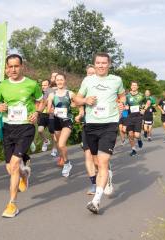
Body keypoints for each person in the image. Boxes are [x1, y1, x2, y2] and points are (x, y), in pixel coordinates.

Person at [0, 54, 43, 218]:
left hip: (26, 128)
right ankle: (24, 174)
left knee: (14, 164)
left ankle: (12, 204)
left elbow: (41, 101)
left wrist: (37, 112)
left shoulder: (31, 84)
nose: (13, 69)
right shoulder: (2, 86)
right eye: (10, 66)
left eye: (16, 66)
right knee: (10, 168)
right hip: (8, 128)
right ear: (6, 68)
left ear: (22, 67)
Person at [75, 52, 125, 214]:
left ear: (109, 64)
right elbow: (76, 98)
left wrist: (121, 105)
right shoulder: (88, 80)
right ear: (94, 64)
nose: (101, 65)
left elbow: (122, 96)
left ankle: (96, 201)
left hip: (110, 124)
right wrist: (85, 101)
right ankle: (107, 176)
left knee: (102, 162)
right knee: (96, 162)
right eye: (98, 63)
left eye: (104, 63)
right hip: (91, 125)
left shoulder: (116, 80)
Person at [47, 73, 77, 177]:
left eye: (61, 80)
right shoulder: (52, 94)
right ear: (55, 81)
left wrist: (76, 106)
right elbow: (49, 108)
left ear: (65, 81)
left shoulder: (70, 93)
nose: (59, 82)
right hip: (56, 121)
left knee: (61, 144)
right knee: (59, 144)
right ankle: (64, 160)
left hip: (67, 120)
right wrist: (50, 110)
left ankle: (67, 163)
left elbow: (78, 102)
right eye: (57, 80)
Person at [76, 64, 98, 194]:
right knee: (88, 155)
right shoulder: (84, 88)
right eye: (88, 73)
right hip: (87, 126)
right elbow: (76, 102)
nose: (90, 75)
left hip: (103, 127)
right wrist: (80, 113)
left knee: (98, 158)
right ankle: (94, 183)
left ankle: (104, 173)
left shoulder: (104, 88)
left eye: (92, 73)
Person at [125, 81, 149, 157]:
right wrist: (126, 107)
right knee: (130, 134)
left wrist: (144, 109)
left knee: (136, 135)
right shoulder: (127, 95)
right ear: (131, 86)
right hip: (130, 117)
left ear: (137, 87)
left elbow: (148, 102)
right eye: (133, 85)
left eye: (135, 85)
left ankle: (139, 139)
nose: (134, 86)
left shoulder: (141, 95)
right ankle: (133, 150)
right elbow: (124, 104)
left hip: (138, 117)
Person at [37, 79, 52, 152]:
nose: (43, 87)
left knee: (53, 133)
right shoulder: (40, 94)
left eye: (45, 85)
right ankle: (46, 141)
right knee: (40, 130)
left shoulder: (53, 93)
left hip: (51, 115)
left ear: (49, 85)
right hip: (42, 114)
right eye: (42, 85)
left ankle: (55, 148)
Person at [48, 72, 59, 157]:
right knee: (53, 133)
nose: (53, 78)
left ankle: (56, 149)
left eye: (55, 77)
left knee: (59, 133)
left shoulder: (64, 88)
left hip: (63, 116)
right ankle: (55, 147)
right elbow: (44, 102)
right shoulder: (48, 90)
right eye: (52, 76)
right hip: (52, 115)